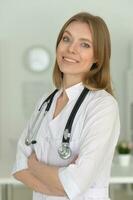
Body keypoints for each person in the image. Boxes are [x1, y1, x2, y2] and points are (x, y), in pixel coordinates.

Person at [12, 12, 120, 200]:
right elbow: (19, 168)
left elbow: (76, 182)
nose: (71, 49)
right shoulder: (45, 102)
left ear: (98, 57)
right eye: (66, 39)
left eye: (84, 44)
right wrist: (60, 184)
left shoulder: (103, 106)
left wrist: (35, 166)